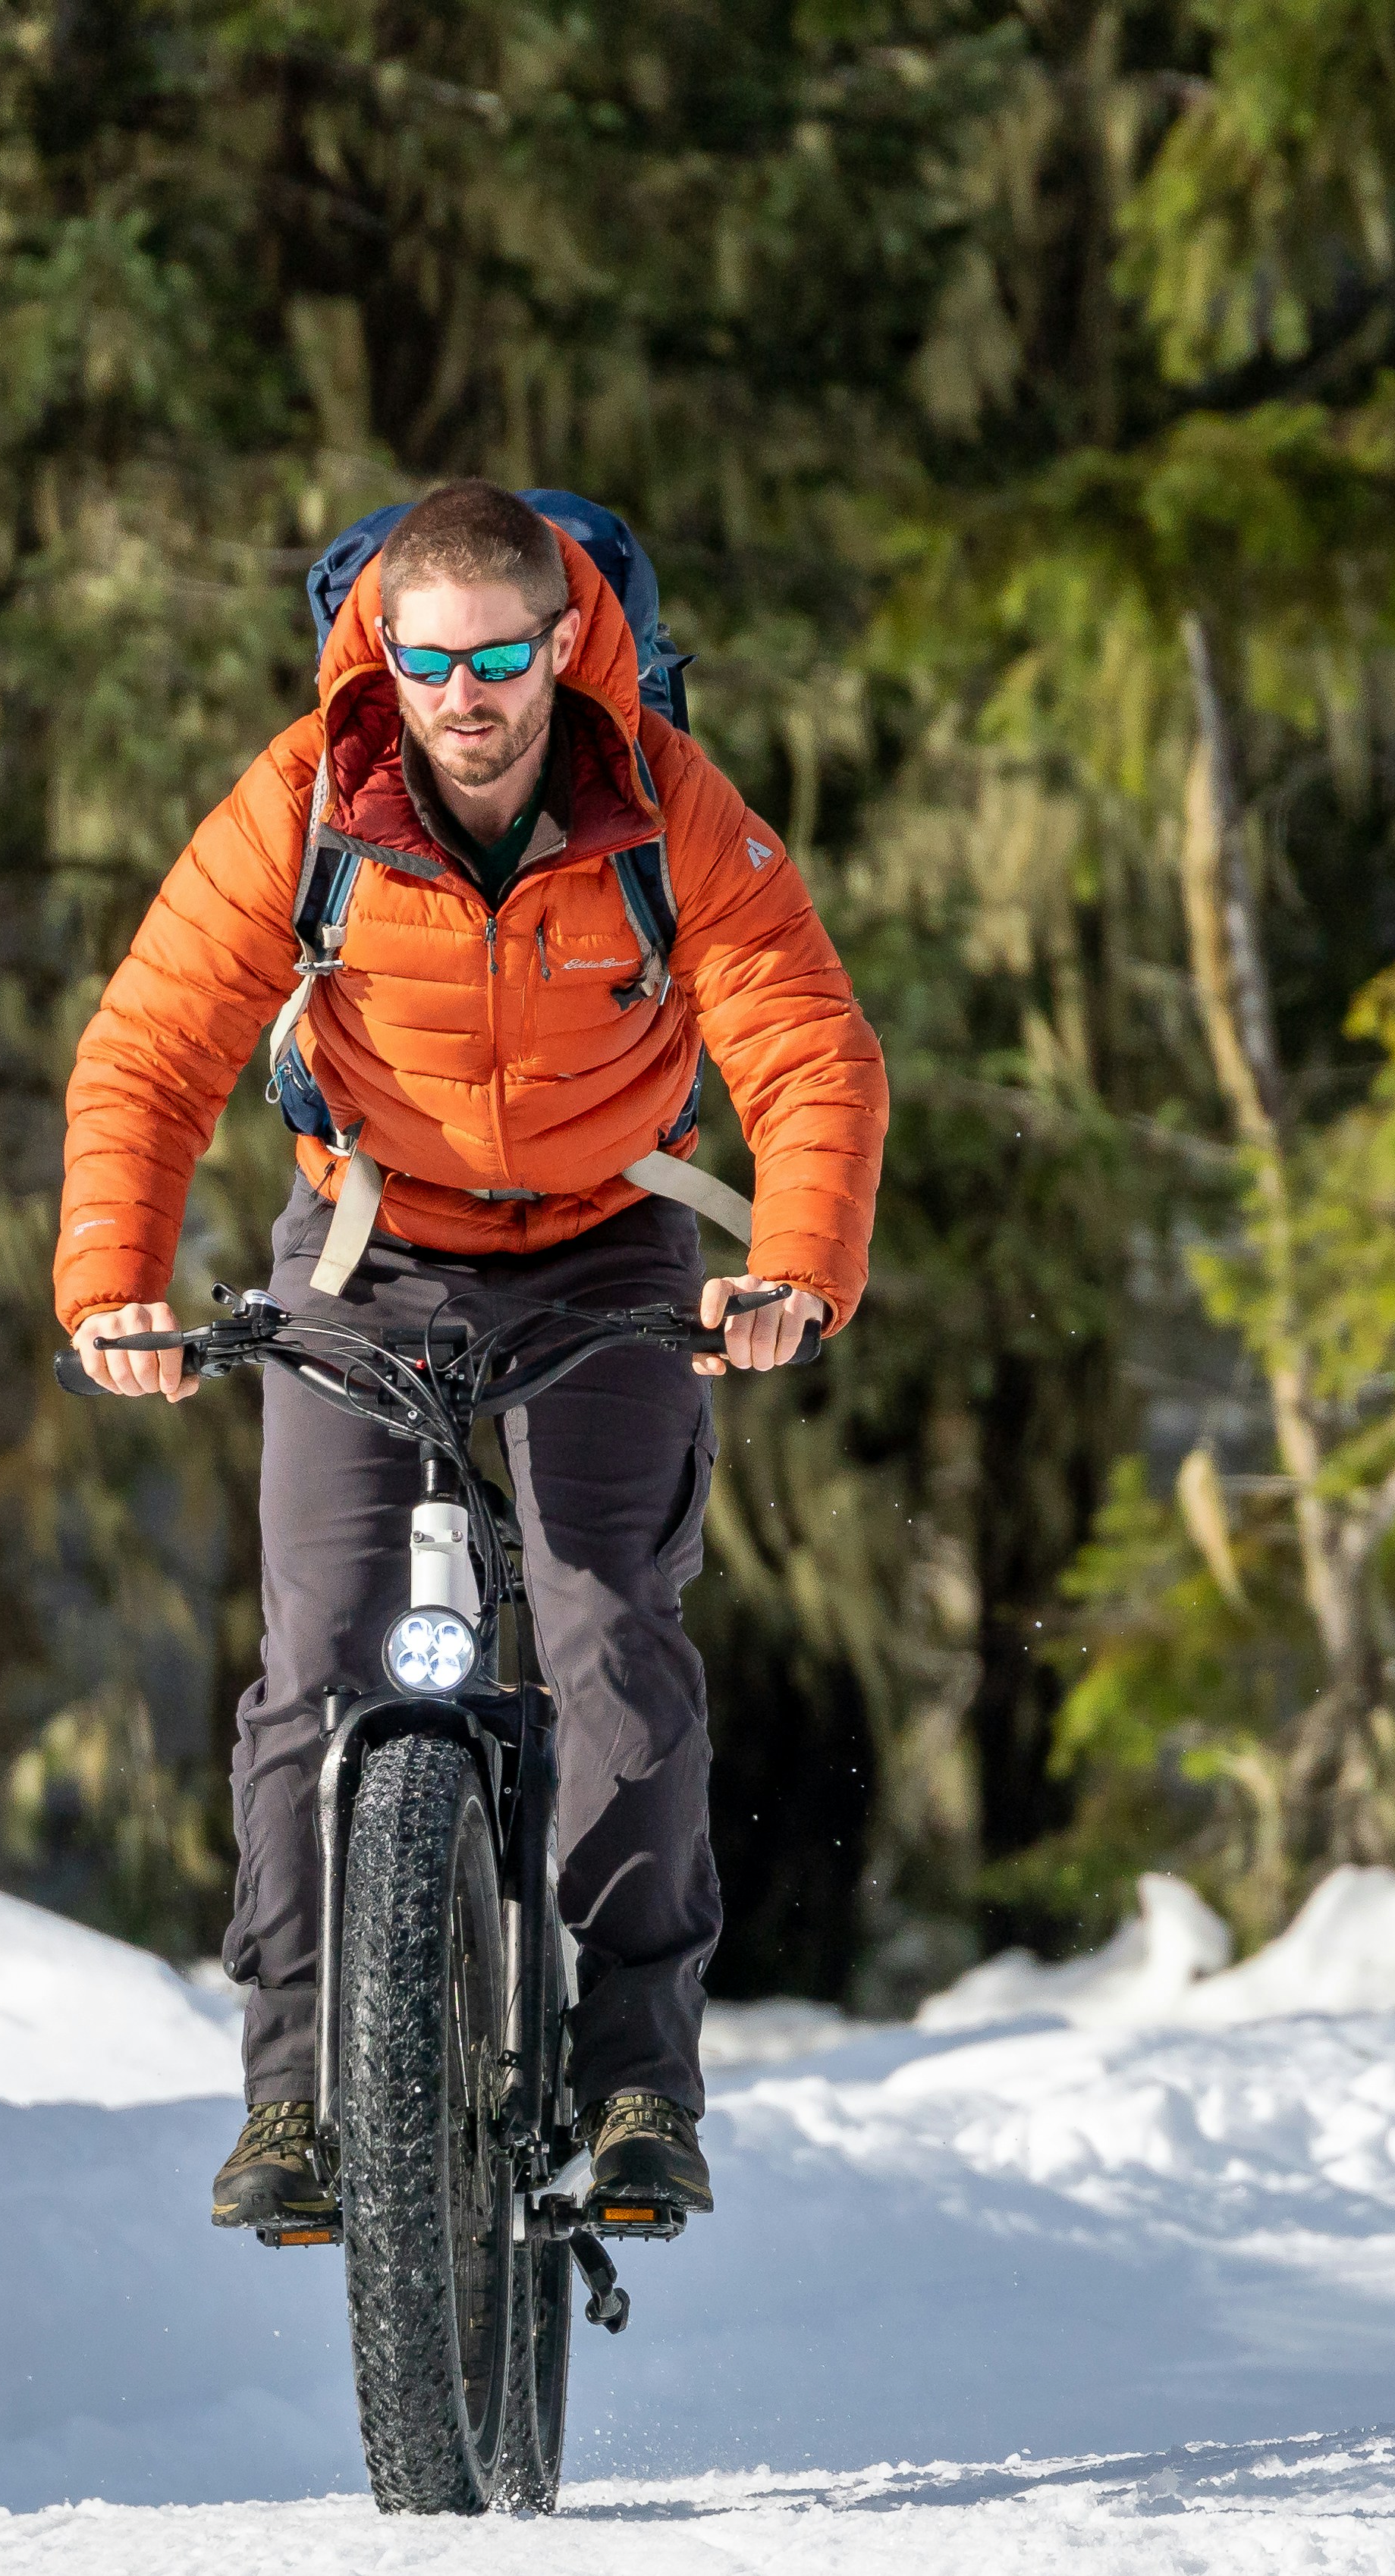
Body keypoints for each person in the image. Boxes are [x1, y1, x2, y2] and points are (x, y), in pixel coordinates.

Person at [54, 481, 888, 2232]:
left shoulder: (664, 805)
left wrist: (791, 1269)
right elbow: (148, 1044)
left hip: (607, 1255)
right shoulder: (300, 804)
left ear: (563, 643)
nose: (463, 692)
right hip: (367, 1253)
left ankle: (641, 2077)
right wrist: (112, 1283)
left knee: (607, 1635)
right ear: (381, 652)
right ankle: (290, 2093)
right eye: (424, 657)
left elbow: (805, 1047)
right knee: (312, 1659)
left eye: (498, 653)